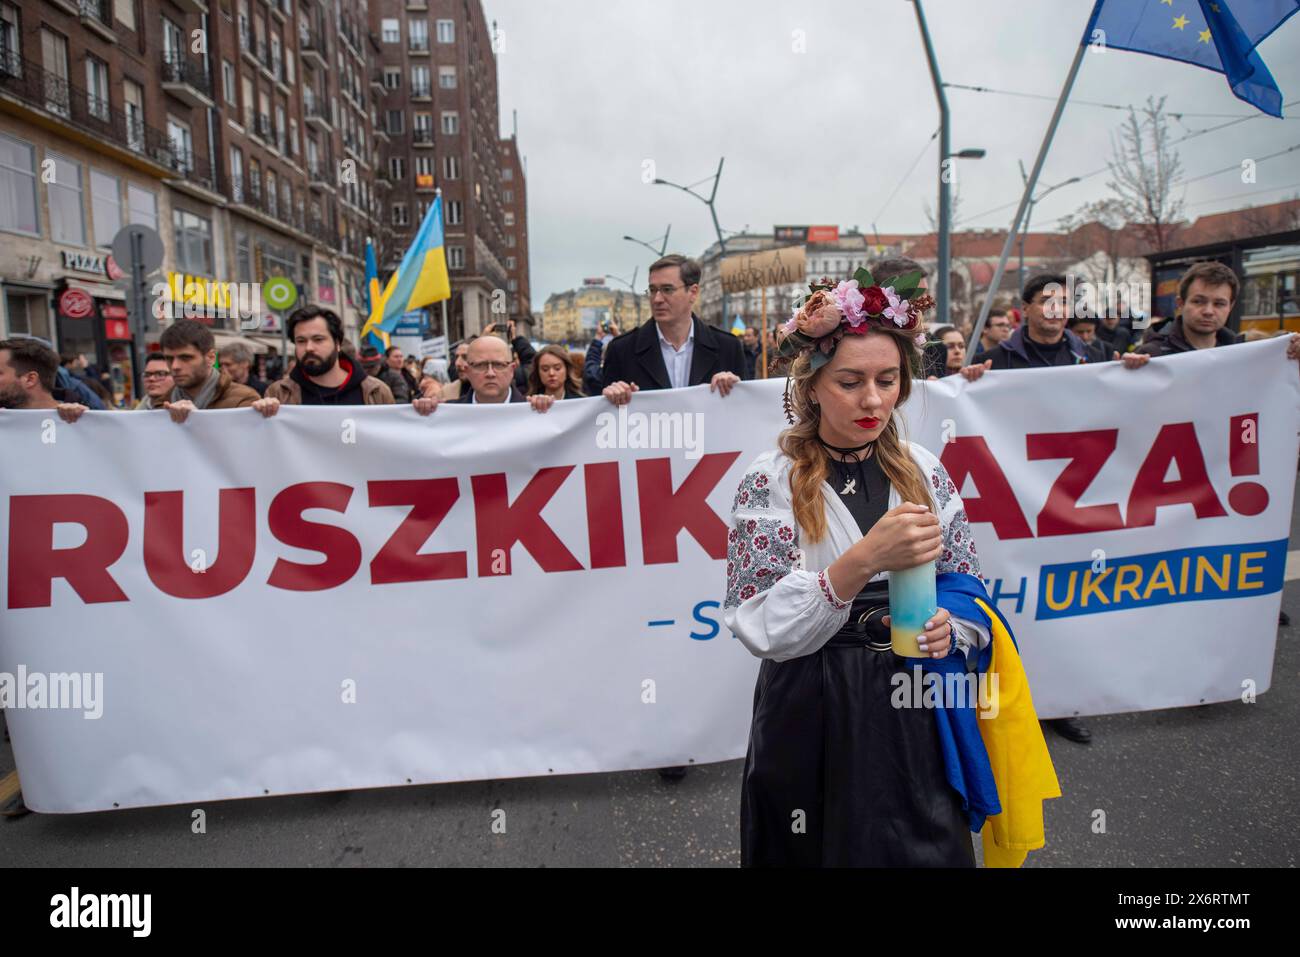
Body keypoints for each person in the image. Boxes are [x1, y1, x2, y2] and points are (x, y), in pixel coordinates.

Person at [725, 270, 1057, 865]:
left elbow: (966, 583)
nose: (873, 400)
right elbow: (757, 622)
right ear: (811, 386)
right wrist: (862, 561)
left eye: (888, 379)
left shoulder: (923, 468)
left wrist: (951, 629)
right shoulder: (770, 479)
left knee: (921, 844)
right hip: (814, 696)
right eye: (850, 382)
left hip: (914, 695)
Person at [600, 254, 745, 405]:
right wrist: (612, 397)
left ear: (693, 292)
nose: (657, 299)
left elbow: (745, 413)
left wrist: (738, 389)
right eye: (652, 290)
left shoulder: (728, 347)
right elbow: (604, 419)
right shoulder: (622, 350)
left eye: (667, 289)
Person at [261, 306, 397, 408]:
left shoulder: (376, 392)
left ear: (337, 344)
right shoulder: (279, 394)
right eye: (301, 341)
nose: (309, 348)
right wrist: (261, 416)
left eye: (318, 339)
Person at [146, 319, 260, 423]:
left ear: (210, 358)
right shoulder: (161, 405)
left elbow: (247, 444)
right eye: (169, 358)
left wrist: (197, 420)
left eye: (186, 358)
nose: (175, 366)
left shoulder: (243, 399)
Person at [1136, 261, 1243, 357]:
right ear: (1180, 303)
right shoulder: (1150, 356)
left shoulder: (1240, 354)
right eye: (1198, 302)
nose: (1208, 311)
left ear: (1231, 306)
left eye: (1219, 304)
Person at [455, 335, 555, 412]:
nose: (490, 373)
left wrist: (546, 407)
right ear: (468, 371)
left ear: (512, 370)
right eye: (481, 365)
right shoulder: (448, 413)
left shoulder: (536, 411)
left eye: (499, 365)